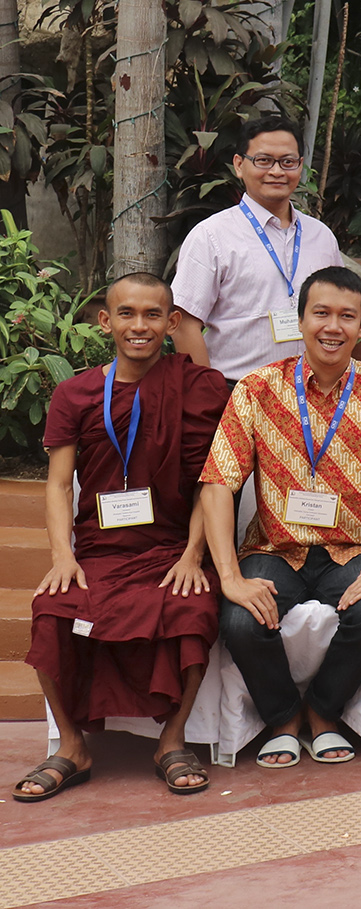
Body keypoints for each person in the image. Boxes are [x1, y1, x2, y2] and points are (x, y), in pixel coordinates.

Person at [16, 274, 231, 801]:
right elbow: (59, 485)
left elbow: (213, 480)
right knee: (52, 607)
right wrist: (62, 555)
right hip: (98, 550)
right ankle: (72, 746)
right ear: (105, 321)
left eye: (153, 315)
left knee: (192, 607)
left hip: (170, 548)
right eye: (128, 314)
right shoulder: (77, 392)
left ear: (172, 323)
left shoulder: (199, 387)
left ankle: (172, 740)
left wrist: (192, 554)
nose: (140, 326)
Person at [200, 266, 361, 768]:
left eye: (347, 316)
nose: (332, 326)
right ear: (299, 320)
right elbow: (218, 483)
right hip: (275, 550)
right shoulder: (256, 389)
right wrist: (230, 577)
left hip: (354, 549)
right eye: (320, 313)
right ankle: (282, 718)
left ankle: (324, 711)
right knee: (238, 618)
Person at [172, 114, 344, 382]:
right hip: (236, 391)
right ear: (239, 165)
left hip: (313, 392)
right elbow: (184, 324)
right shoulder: (211, 236)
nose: (277, 171)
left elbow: (341, 310)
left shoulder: (321, 237)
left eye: (288, 162)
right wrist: (209, 394)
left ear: (300, 166)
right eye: (263, 161)